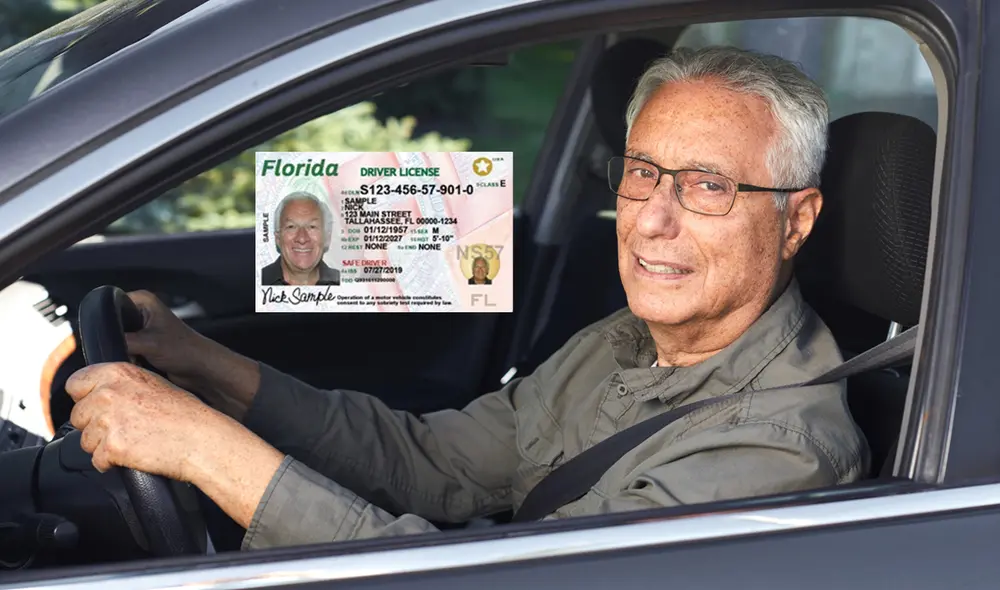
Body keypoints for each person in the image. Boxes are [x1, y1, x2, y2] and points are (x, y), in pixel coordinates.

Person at [65, 46, 868, 551]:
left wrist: (204, 451)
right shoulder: (627, 336)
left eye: (709, 186)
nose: (653, 219)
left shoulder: (781, 449)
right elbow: (431, 462)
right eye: (642, 172)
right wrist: (204, 364)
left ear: (794, 220)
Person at [261, 191, 341, 286]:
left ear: (327, 238)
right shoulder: (257, 281)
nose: (302, 239)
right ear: (278, 238)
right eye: (291, 227)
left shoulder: (348, 287)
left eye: (312, 227)